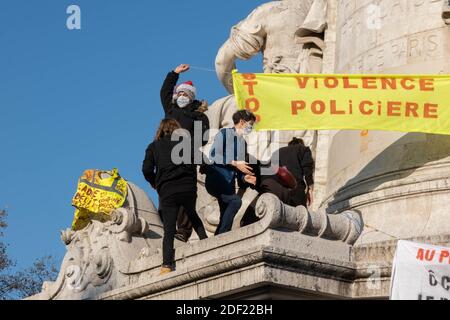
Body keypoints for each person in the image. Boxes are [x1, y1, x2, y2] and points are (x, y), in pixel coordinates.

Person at [142, 119, 208, 275]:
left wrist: (155, 182)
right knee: (192, 214)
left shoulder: (153, 147)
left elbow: (146, 169)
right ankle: (206, 243)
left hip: (167, 189)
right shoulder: (185, 142)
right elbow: (202, 160)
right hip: (187, 187)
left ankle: (167, 265)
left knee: (169, 229)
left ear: (161, 130)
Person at [160, 64, 210, 242]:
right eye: (179, 93)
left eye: (185, 94)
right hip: (167, 157)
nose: (181, 96)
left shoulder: (198, 116)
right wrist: (174, 73)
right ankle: (167, 225)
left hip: (185, 157)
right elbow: (164, 92)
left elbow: (202, 139)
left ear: (191, 97)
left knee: (186, 195)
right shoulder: (171, 111)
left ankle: (184, 230)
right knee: (166, 192)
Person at [205, 110, 257, 235]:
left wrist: (245, 178)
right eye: (250, 124)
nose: (251, 127)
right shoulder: (224, 133)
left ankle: (218, 239)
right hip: (217, 179)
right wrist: (234, 163)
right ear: (242, 122)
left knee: (225, 217)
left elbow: (240, 169)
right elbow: (213, 155)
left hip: (229, 185)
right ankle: (221, 236)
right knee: (236, 202)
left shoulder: (243, 143)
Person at [241, 137, 315, 227]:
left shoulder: (278, 151)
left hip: (279, 190)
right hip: (296, 189)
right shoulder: (304, 149)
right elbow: (307, 168)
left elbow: (268, 170)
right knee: (299, 222)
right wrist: (310, 188)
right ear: (301, 144)